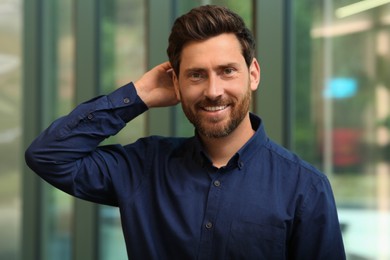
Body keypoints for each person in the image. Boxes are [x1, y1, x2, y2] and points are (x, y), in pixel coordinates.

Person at [25, 5, 346, 259]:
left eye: (227, 71)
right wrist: (137, 96)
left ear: (253, 74)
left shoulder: (305, 187)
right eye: (196, 76)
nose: (213, 90)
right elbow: (49, 155)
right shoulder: (143, 167)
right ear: (176, 83)